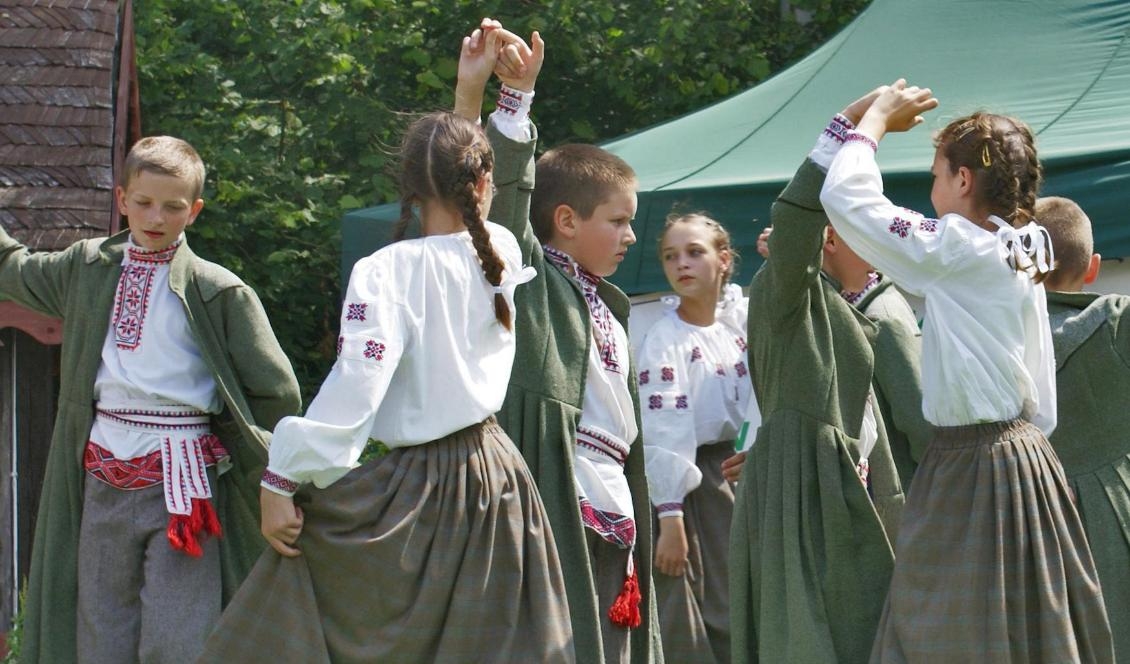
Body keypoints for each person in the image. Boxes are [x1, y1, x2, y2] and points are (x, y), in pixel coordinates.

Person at [197, 41, 574, 661]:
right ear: (481, 183)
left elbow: (356, 389)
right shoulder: (499, 249)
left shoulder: (388, 270)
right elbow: (471, 183)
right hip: (499, 477)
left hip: (420, 488)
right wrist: (486, 96)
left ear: (405, 186)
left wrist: (280, 475)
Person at [820, 81, 1114, 661]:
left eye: (935, 175)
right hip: (1026, 457)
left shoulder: (960, 249)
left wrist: (872, 122)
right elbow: (1041, 390)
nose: (931, 190)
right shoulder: (1024, 243)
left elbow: (849, 202)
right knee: (1022, 628)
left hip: (974, 460)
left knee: (943, 630)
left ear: (962, 180)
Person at [0, 136, 301, 663]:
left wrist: (263, 471)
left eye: (172, 206)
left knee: (178, 633)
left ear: (195, 211)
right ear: (121, 199)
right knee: (101, 626)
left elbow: (277, 393)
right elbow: (13, 268)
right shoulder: (87, 268)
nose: (155, 216)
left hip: (184, 483)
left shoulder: (219, 290)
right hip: (99, 472)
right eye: (143, 202)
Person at [455, 21, 662, 664]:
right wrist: (512, 100)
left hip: (611, 503)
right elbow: (500, 206)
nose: (630, 236)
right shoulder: (530, 278)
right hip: (552, 492)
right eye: (619, 221)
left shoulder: (611, 304)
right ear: (567, 221)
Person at [728, 92, 907, 664]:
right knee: (806, 639)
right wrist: (846, 131)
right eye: (863, 229)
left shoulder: (845, 307)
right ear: (828, 238)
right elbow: (794, 216)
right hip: (804, 503)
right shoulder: (789, 299)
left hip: (831, 493)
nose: (878, 246)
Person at [634, 212, 751, 663]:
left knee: (749, 600)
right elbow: (665, 428)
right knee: (712, 609)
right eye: (670, 256)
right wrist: (670, 516)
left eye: (694, 252)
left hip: (743, 471)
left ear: (723, 259)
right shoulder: (666, 339)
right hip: (695, 485)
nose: (681, 263)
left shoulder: (738, 325)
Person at [1037, 195, 1130, 661]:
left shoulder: (981, 335)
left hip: (1020, 519)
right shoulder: (1118, 323)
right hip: (1115, 513)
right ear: (1092, 267)